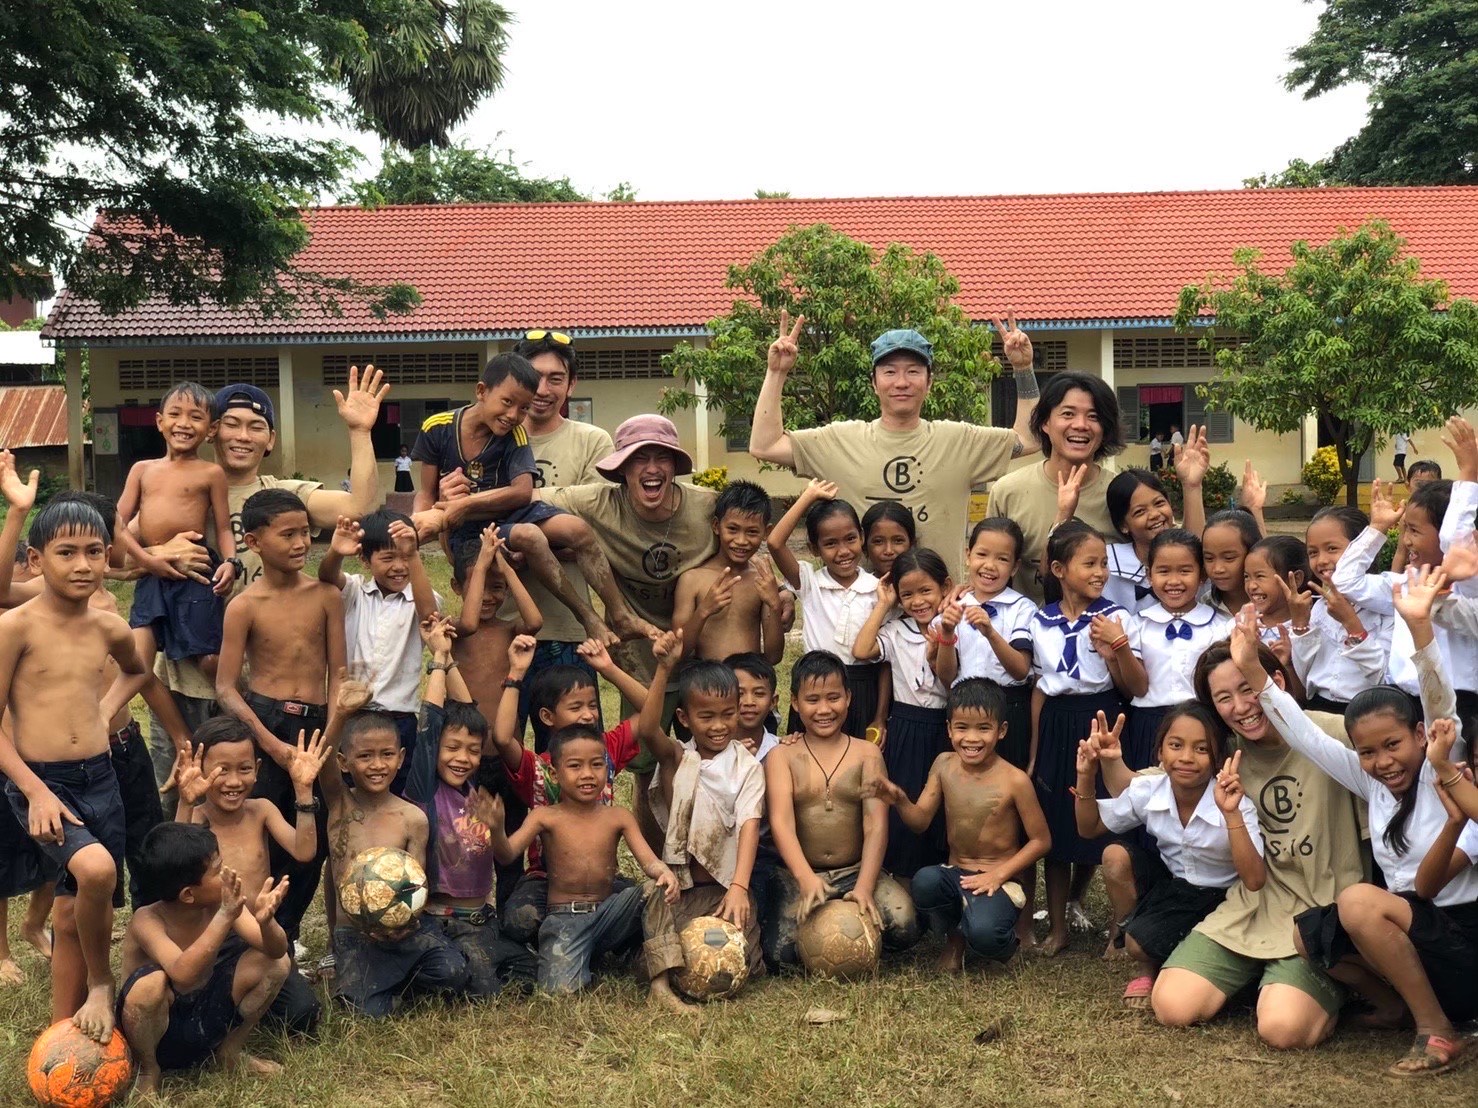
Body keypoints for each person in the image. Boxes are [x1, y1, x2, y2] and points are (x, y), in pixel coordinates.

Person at [1233, 581, 1478, 1078]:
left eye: (1392, 745)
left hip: (1463, 942)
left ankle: (1438, 1030)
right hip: (1416, 933)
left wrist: (1419, 628)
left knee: (1358, 902)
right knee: (1310, 934)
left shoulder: (1442, 774)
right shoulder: (1376, 786)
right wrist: (1254, 672)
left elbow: (1439, 703)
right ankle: (1396, 1006)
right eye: (1367, 752)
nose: (1382, 762)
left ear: (1419, 736)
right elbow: (1304, 736)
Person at [145, 370, 386, 798]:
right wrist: (156, 555)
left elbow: (360, 506)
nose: (243, 436)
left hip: (260, 694)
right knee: (180, 800)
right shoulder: (181, 487)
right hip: (186, 683)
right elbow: (112, 555)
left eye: (256, 426)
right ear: (213, 430)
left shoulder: (284, 497)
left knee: (256, 804)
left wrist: (360, 432)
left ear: (270, 439)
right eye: (232, 423)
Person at [1150, 639, 1365, 1050]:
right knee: (1172, 1005)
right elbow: (1159, 778)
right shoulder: (1225, 753)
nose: (1241, 706)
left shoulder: (1333, 732)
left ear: (1275, 680)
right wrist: (1104, 765)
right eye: (1223, 698)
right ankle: (1265, 980)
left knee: (1282, 1030)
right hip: (1254, 904)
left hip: (1320, 908)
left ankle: (1305, 993)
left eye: (1248, 688)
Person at [0, 499, 146, 1041]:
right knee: (99, 873)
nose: (82, 565)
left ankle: (62, 1034)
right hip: (43, 782)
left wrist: (102, 712)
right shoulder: (15, 628)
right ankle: (103, 983)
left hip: (100, 777)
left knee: (69, 912)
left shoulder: (109, 628)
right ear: (37, 561)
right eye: (66, 553)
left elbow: (137, 671)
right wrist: (34, 791)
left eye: (93, 552)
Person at [750, 312, 1041, 578]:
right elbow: (766, 446)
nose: (901, 382)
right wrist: (777, 373)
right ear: (874, 383)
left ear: (928, 383)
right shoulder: (840, 440)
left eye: (913, 371)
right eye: (889, 372)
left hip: (937, 612)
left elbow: (1029, 439)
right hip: (862, 612)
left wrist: (1023, 368)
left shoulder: (959, 440)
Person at [412, 351, 651, 646]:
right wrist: (420, 528)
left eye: (523, 408)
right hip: (471, 528)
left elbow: (522, 491)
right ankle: (587, 617)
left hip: (507, 513)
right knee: (531, 536)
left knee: (576, 529)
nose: (513, 415)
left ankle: (620, 615)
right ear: (481, 391)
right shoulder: (437, 427)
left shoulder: (515, 435)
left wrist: (464, 503)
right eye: (507, 402)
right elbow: (426, 494)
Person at [215, 489, 346, 940]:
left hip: (316, 726)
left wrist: (328, 737)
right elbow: (226, 688)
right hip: (265, 722)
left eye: (306, 532)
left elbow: (340, 680)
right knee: (265, 834)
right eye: (287, 534)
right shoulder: (244, 605)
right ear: (253, 542)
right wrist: (271, 746)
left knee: (318, 833)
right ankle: (256, 930)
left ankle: (285, 933)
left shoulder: (327, 596)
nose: (301, 543)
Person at [1076, 706, 1264, 1008]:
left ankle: (1185, 959)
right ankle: (1147, 966)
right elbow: (1090, 828)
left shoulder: (1233, 802)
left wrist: (1232, 816)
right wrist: (1086, 775)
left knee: (1147, 945)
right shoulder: (1150, 790)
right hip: (1177, 889)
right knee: (1115, 857)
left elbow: (1254, 880)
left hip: (1227, 898)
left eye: (1201, 749)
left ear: (1217, 758)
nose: (1187, 757)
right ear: (1160, 752)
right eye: (1176, 745)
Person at [486, 724, 681, 996]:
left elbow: (648, 862)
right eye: (575, 766)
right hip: (565, 919)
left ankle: (660, 984)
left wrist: (663, 871)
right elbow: (507, 854)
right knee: (560, 993)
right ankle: (582, 957)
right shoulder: (545, 816)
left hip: (609, 912)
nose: (588, 774)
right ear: (554, 774)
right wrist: (496, 829)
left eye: (597, 765)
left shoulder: (618, 817)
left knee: (656, 888)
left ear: (607, 769)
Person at [872, 678, 1051, 972]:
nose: (971, 739)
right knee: (925, 882)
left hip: (998, 879)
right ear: (949, 729)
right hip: (957, 874)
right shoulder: (944, 764)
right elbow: (920, 822)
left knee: (987, 936)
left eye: (983, 728)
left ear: (1001, 730)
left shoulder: (1014, 780)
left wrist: (998, 875)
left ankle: (1000, 939)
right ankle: (955, 940)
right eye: (962, 727)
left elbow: (1041, 841)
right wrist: (901, 800)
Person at [403, 614, 536, 998]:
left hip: (481, 921)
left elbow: (471, 713)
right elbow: (430, 726)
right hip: (443, 921)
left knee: (531, 972)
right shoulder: (425, 789)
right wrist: (438, 660)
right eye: (452, 749)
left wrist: (496, 827)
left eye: (473, 751)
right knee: (479, 989)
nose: (462, 758)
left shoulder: (471, 788)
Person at [1029, 521, 1146, 956]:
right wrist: (1034, 754)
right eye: (1089, 563)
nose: (1100, 573)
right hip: (1059, 722)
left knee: (1109, 820)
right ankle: (1058, 928)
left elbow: (1133, 687)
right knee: (1059, 824)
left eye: (1103, 564)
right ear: (1059, 569)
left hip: (1104, 720)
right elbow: (1040, 690)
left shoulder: (1117, 618)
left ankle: (1118, 931)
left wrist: (1115, 650)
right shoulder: (1039, 621)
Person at [317, 681, 468, 1017]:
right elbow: (322, 760)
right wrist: (339, 714)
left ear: (401, 758)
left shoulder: (411, 818)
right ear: (344, 762)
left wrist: (406, 920)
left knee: (454, 972)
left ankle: (400, 977)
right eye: (365, 756)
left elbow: (416, 882)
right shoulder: (339, 803)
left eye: (387, 755)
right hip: (355, 933)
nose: (377, 765)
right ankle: (371, 983)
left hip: (405, 930)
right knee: (367, 1014)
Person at [762, 650, 920, 969]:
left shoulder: (867, 754)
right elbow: (781, 822)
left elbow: (875, 825)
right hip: (801, 873)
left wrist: (864, 886)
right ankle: (823, 914)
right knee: (780, 955)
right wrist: (806, 879)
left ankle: (853, 917)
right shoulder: (783, 756)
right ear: (795, 702)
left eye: (833, 697)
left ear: (848, 698)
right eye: (813, 699)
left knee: (905, 927)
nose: (824, 709)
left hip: (855, 870)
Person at [491, 634, 655, 940]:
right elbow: (502, 739)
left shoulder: (605, 751)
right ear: (547, 717)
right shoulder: (537, 767)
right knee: (520, 920)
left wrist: (608, 669)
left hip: (600, 881)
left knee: (650, 904)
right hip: (546, 881)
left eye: (593, 705)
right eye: (576, 707)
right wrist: (515, 676)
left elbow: (649, 714)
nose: (589, 714)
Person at [171, 716, 326, 1034]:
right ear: (200, 771)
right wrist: (186, 803)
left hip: (262, 935)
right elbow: (178, 860)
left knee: (303, 1014)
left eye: (244, 769)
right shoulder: (198, 819)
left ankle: (254, 994)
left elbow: (304, 851)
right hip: (213, 939)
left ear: (257, 767)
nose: (233, 781)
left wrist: (304, 790)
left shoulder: (262, 811)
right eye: (221, 770)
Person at [637, 635, 766, 1011]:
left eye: (728, 714)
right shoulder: (680, 758)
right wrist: (664, 668)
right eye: (706, 717)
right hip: (680, 891)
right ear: (684, 718)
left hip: (724, 889)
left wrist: (740, 888)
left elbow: (748, 826)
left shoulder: (748, 768)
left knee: (748, 967)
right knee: (660, 947)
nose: (718, 726)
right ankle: (661, 985)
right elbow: (647, 731)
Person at [117, 824, 290, 1094]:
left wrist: (267, 924)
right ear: (188, 894)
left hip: (206, 1015)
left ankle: (229, 1051)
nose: (228, 872)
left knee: (276, 964)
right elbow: (183, 973)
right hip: (159, 1031)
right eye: (217, 870)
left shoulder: (222, 902)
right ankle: (147, 1068)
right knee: (150, 984)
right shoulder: (147, 920)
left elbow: (277, 951)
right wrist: (224, 916)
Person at [507, 329, 616, 750]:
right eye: (535, 377)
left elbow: (594, 533)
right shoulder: (494, 440)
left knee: (577, 751)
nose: (543, 389)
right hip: (506, 624)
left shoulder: (593, 442)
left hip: (572, 629)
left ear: (572, 384)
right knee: (503, 753)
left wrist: (522, 541)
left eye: (556, 378)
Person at [115, 381, 239, 679]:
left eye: (196, 417)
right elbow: (117, 523)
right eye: (175, 414)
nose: (184, 424)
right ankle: (105, 716)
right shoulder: (142, 470)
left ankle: (238, 705)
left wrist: (231, 562)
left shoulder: (211, 473)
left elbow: (223, 527)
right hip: (151, 575)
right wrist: (147, 561)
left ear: (211, 429)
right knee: (138, 662)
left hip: (195, 572)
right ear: (160, 422)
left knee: (209, 659)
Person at [319, 511, 441, 794]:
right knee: (347, 789)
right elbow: (327, 575)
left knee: (397, 791)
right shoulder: (355, 593)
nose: (399, 566)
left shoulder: (420, 597)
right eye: (388, 558)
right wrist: (336, 552)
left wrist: (414, 556)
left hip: (399, 718)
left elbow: (430, 617)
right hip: (351, 712)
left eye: (406, 557)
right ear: (364, 559)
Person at [853, 548, 953, 877]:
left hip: (946, 729)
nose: (917, 601)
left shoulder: (955, 627)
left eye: (926, 591)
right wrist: (884, 604)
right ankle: (905, 882)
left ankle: (938, 880)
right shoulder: (897, 631)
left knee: (942, 809)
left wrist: (941, 645)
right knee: (905, 802)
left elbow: (952, 680)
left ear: (945, 588)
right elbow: (862, 649)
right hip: (908, 728)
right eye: (907, 594)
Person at [986, 371, 1126, 602]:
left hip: (1107, 631)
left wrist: (1190, 486)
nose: (1081, 425)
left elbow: (1177, 557)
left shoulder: (1122, 494)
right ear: (1045, 423)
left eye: (1093, 416)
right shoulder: (1008, 491)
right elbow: (987, 570)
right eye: (1068, 414)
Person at [768, 481, 885, 742]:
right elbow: (775, 543)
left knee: (857, 763)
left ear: (862, 538)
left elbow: (886, 659)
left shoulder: (879, 590)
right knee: (808, 760)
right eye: (830, 543)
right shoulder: (809, 582)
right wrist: (808, 497)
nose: (843, 551)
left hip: (863, 687)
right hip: (816, 685)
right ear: (814, 548)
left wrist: (879, 714)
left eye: (850, 539)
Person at [1121, 529, 1232, 770]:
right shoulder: (1136, 625)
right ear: (1149, 575)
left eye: (1185, 571)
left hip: (1204, 721)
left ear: (1202, 575)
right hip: (1148, 724)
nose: (1174, 581)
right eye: (1163, 571)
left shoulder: (1221, 625)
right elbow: (1134, 688)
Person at [932, 518, 1036, 770]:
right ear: (968, 555)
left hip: (1009, 708)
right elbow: (946, 677)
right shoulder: (952, 609)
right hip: (964, 710)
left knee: (1009, 785)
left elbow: (1021, 670)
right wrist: (946, 632)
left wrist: (990, 632)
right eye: (981, 554)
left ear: (1014, 567)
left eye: (1002, 559)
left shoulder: (1023, 609)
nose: (990, 566)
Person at [673, 480, 784, 664]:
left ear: (766, 532)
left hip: (747, 685)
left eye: (752, 532)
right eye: (732, 529)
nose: (741, 540)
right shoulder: (692, 579)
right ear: (716, 526)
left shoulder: (762, 582)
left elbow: (773, 656)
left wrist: (774, 603)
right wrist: (704, 610)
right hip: (706, 686)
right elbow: (679, 650)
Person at [1295, 507, 1390, 715]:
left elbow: (1384, 678)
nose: (1321, 560)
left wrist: (1351, 624)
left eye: (1331, 549)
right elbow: (1305, 675)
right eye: (1313, 552)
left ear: (1360, 551)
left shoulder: (1385, 607)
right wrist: (1300, 627)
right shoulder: (1318, 607)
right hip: (1319, 711)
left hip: (1369, 714)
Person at [448, 524, 543, 724]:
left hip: (505, 740)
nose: (488, 596)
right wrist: (481, 565)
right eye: (479, 586)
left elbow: (534, 622)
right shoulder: (453, 629)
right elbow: (469, 624)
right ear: (456, 586)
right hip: (463, 740)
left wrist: (507, 569)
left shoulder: (508, 630)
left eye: (497, 587)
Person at [1102, 444, 1208, 614]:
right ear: (1123, 525)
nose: (1154, 515)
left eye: (1159, 503)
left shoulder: (1193, 560)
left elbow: (1197, 545)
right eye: (1139, 512)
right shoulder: (1108, 566)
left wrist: (1192, 486)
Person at [1201, 507, 1262, 616]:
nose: (1218, 569)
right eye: (1209, 558)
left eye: (1229, 558)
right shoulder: (1205, 604)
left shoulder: (1275, 603)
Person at [726, 651, 781, 762]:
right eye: (739, 693)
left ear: (773, 701)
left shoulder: (782, 749)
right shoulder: (706, 751)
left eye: (759, 693)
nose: (749, 702)